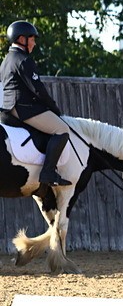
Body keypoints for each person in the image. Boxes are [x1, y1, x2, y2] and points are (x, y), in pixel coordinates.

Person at [1, 21, 72, 186]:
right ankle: (48, 173)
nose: (34, 43)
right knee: (62, 129)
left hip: (7, 109)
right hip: (24, 109)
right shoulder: (23, 60)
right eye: (32, 39)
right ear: (21, 39)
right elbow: (38, 90)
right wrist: (54, 109)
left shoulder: (6, 60)